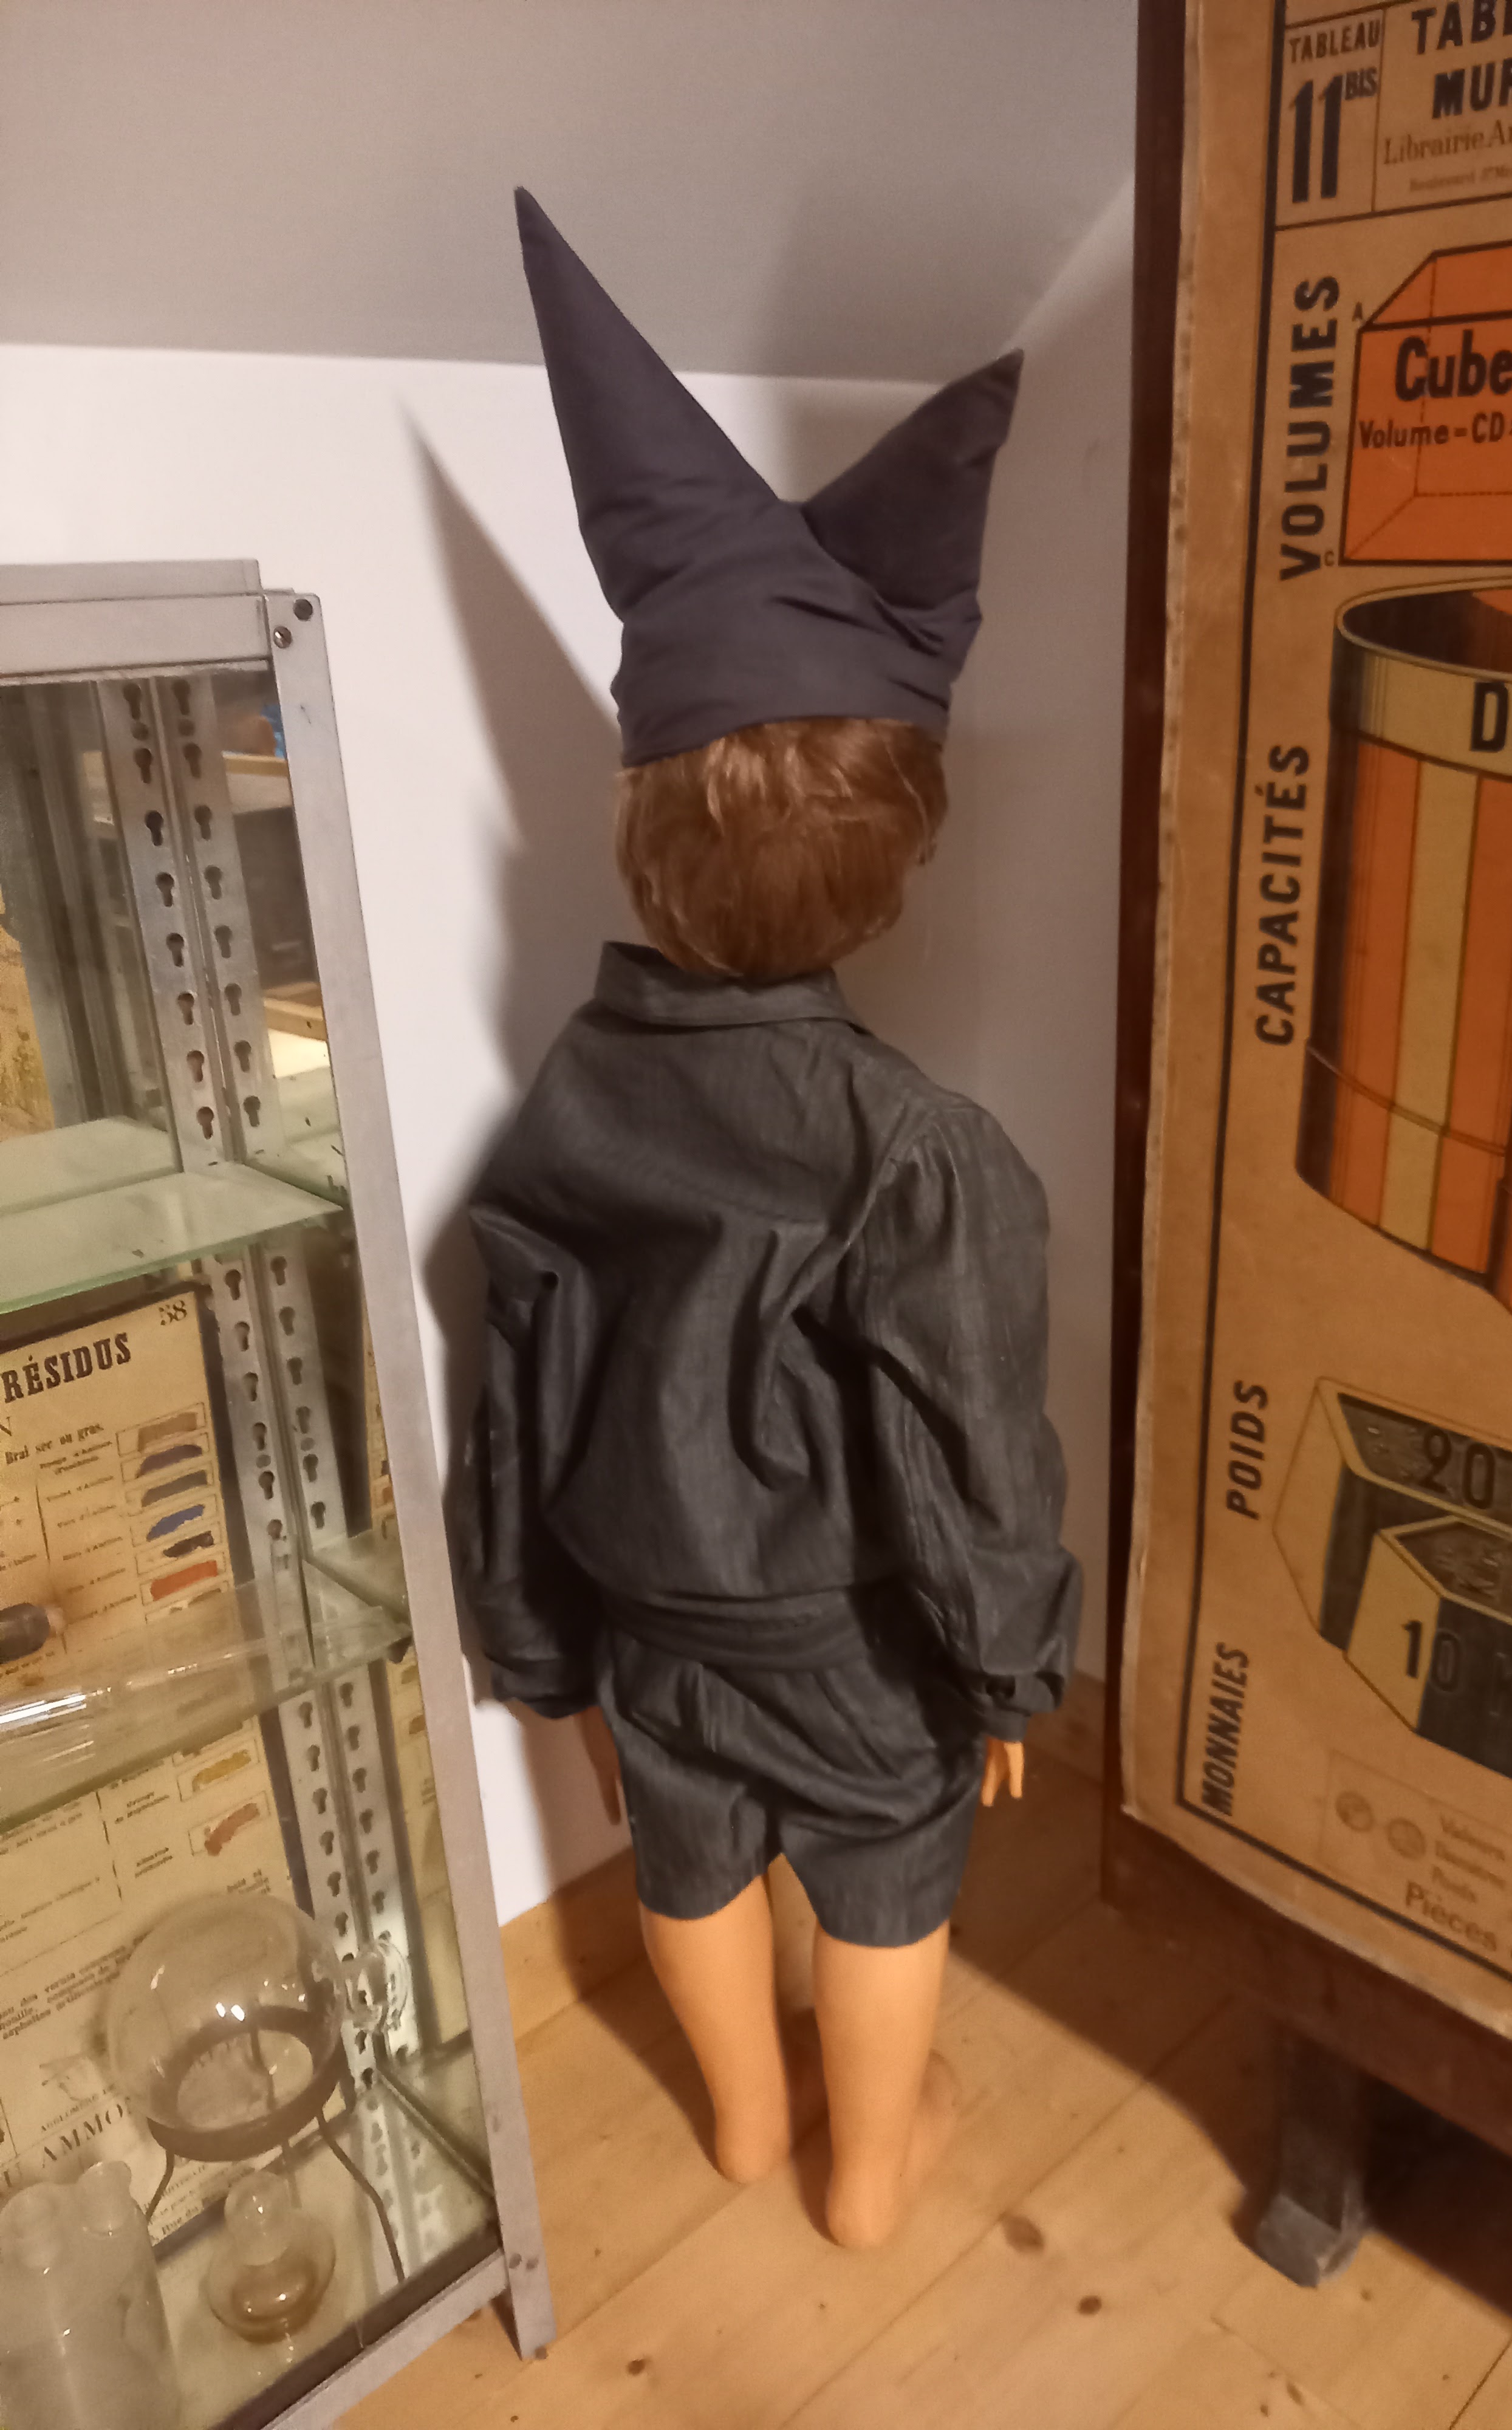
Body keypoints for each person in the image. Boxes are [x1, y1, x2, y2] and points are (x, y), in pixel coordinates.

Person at [459, 192, 1080, 2248]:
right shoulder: (920, 1152)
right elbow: (979, 1449)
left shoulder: (569, 1097)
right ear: (896, 875)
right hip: (849, 1638)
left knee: (691, 1855)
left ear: (639, 839)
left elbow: (515, 1393)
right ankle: (868, 2169)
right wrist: (1007, 1674)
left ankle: (741, 2116)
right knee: (884, 1873)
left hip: (648, 1614)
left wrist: (537, 1646)